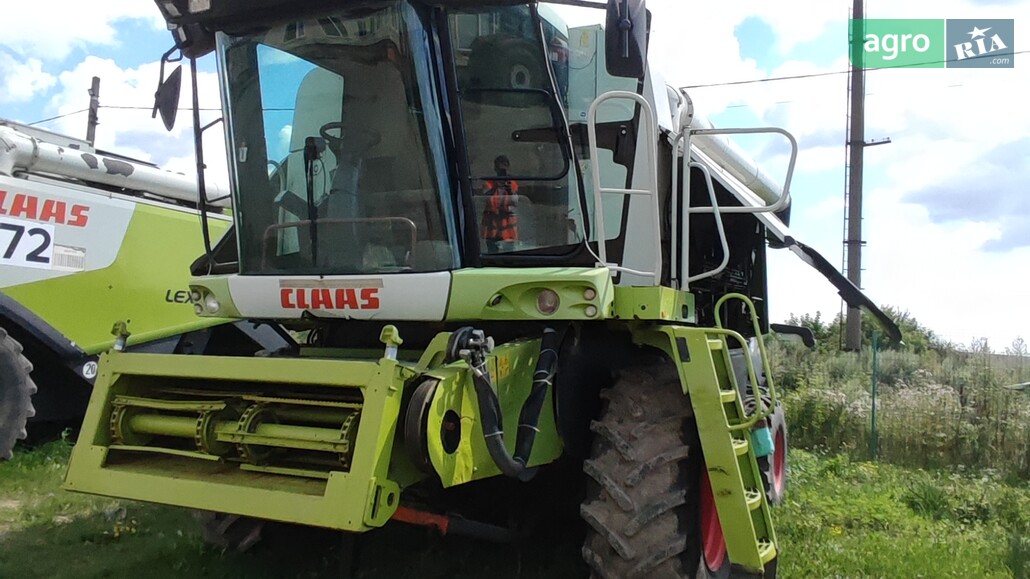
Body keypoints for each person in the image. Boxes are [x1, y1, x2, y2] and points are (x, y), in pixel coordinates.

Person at [480, 155, 519, 252]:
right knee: (492, 251)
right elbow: (484, 198)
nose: (502, 173)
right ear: (495, 168)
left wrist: (510, 191)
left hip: (507, 224)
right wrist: (495, 187)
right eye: (499, 170)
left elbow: (515, 202)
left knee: (509, 252)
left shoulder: (512, 184)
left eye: (504, 170)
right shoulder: (488, 183)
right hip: (491, 223)